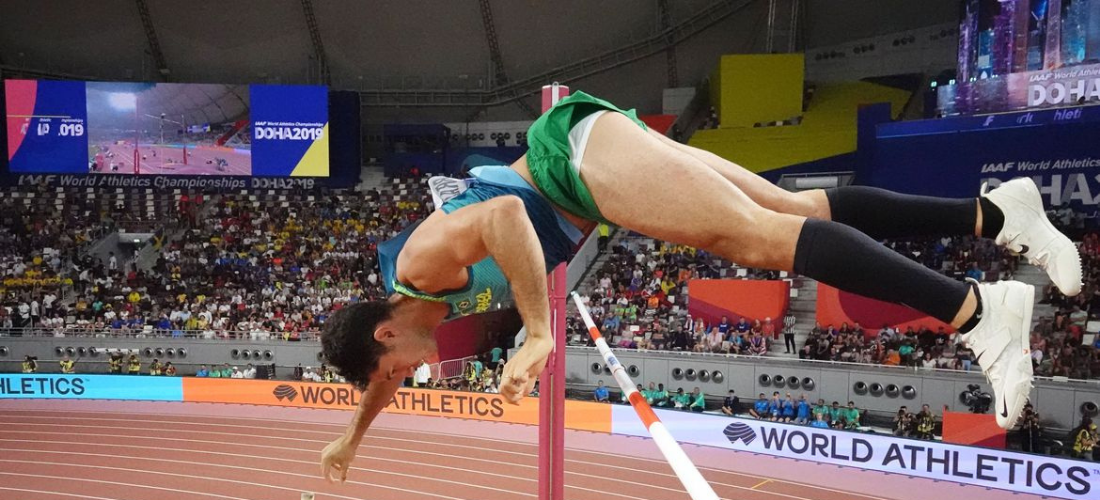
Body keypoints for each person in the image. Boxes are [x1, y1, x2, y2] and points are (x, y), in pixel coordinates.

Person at [318, 91, 1081, 482]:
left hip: (573, 167)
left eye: (398, 369)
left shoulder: (419, 268)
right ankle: (996, 213)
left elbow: (507, 219)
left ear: (387, 331)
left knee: (756, 239)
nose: (415, 373)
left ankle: (979, 309)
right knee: (791, 208)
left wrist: (540, 330)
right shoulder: (406, 305)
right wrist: (353, 438)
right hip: (589, 162)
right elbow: (374, 384)